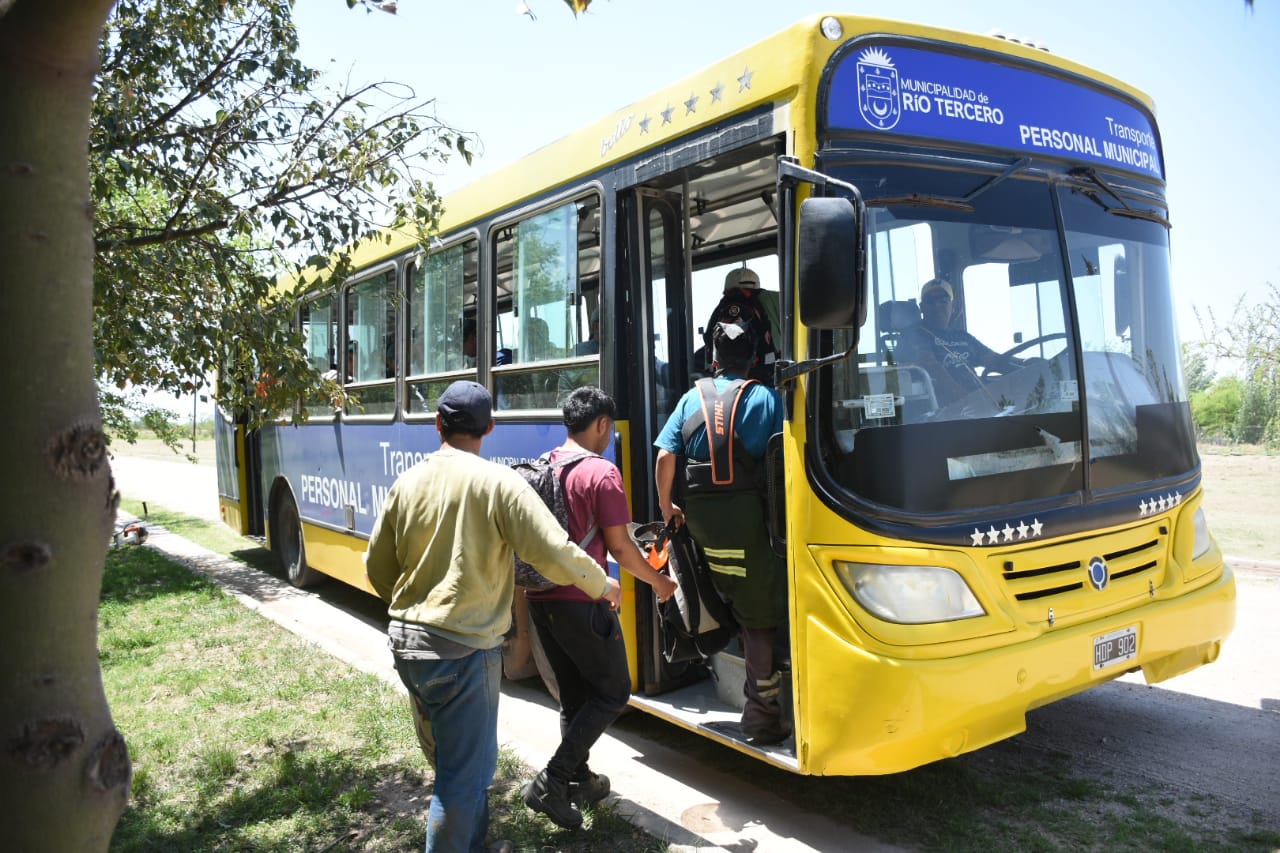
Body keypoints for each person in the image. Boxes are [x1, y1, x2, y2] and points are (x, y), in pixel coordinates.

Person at [365, 379, 622, 853]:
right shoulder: (497, 482)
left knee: (457, 766)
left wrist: (414, 612)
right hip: (462, 651)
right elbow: (551, 550)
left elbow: (376, 567)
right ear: (490, 428)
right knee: (460, 781)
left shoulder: (407, 482)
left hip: (408, 645)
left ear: (438, 424)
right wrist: (600, 583)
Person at [522, 386, 678, 829]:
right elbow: (622, 550)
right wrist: (660, 583)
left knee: (575, 694)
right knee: (613, 691)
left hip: (540, 599)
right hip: (581, 601)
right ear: (603, 425)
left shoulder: (547, 464)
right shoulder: (601, 473)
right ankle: (552, 780)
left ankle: (578, 777)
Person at [653, 321, 789, 745]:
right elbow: (784, 456)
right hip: (748, 522)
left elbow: (664, 456)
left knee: (722, 589)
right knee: (759, 614)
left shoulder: (692, 397)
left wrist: (667, 506)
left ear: (713, 360)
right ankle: (762, 715)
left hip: (703, 524)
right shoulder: (763, 397)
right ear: (752, 359)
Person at [894, 278, 1030, 404]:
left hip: (978, 401)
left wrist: (1028, 364)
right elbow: (932, 368)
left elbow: (996, 359)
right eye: (930, 301)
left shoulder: (963, 336)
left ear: (952, 306)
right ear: (922, 307)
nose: (936, 305)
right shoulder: (912, 335)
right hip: (946, 409)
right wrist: (968, 401)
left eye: (943, 300)